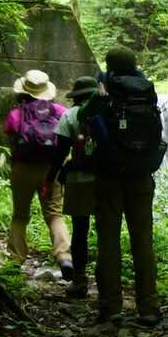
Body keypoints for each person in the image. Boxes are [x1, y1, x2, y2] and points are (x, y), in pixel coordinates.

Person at [81, 46, 167, 326]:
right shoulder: (146, 90)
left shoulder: (106, 90)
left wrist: (99, 95)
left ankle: (111, 306)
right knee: (143, 241)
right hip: (141, 175)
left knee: (108, 240)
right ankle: (149, 306)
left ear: (109, 65)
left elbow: (83, 117)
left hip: (109, 176)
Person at [3, 69, 71, 274]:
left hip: (23, 169)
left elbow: (12, 141)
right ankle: (64, 256)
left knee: (20, 216)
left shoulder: (16, 114)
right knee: (54, 214)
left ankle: (15, 260)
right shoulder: (60, 111)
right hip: (52, 170)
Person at [51, 75, 102, 300]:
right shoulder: (106, 112)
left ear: (76, 97)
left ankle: (80, 281)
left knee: (80, 230)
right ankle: (107, 284)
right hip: (105, 179)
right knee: (106, 232)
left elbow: (60, 152)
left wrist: (50, 178)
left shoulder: (70, 115)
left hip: (79, 179)